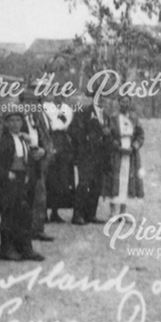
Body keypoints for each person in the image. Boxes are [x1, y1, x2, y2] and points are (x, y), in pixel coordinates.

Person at [0, 107, 44, 262]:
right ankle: (6, 249)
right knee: (9, 217)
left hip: (23, 182)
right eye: (11, 121)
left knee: (24, 216)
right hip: (9, 184)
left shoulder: (24, 139)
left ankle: (25, 248)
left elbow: (29, 158)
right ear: (6, 123)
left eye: (18, 120)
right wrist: (5, 174)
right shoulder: (4, 141)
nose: (15, 124)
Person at [69, 88, 110, 225]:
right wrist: (86, 139)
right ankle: (77, 215)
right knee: (83, 183)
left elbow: (107, 134)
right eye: (99, 97)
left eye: (104, 97)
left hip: (100, 155)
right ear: (93, 98)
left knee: (96, 185)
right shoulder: (84, 111)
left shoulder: (105, 115)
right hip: (86, 154)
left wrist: (106, 135)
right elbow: (74, 130)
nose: (102, 99)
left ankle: (90, 214)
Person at [19, 91, 54, 242]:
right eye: (28, 102)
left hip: (37, 162)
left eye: (34, 102)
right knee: (25, 198)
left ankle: (37, 228)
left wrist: (44, 151)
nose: (31, 105)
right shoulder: (16, 119)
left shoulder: (36, 119)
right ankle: (24, 230)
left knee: (39, 196)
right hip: (23, 163)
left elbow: (42, 138)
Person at [104, 96, 145, 219]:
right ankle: (112, 212)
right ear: (118, 103)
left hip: (130, 154)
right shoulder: (113, 118)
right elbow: (108, 135)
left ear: (130, 103)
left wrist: (134, 146)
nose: (124, 105)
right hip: (116, 153)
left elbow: (140, 135)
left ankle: (122, 211)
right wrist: (116, 146)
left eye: (127, 102)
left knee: (126, 180)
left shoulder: (134, 118)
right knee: (114, 179)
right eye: (122, 102)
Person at [44, 102, 77, 223]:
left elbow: (68, 125)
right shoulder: (46, 107)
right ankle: (43, 212)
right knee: (49, 178)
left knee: (61, 179)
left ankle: (55, 211)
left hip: (63, 141)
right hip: (51, 138)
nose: (59, 96)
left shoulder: (67, 108)